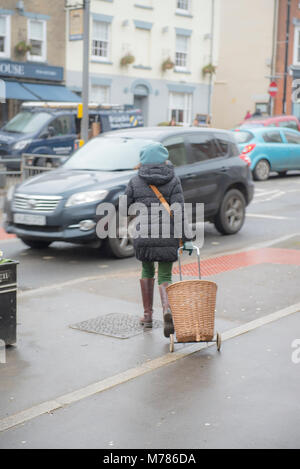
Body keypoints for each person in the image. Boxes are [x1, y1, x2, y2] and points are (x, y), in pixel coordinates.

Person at [125, 142, 193, 338]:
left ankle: (147, 316)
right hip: (167, 236)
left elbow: (125, 207)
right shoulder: (173, 180)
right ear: (165, 159)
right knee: (165, 276)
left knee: (147, 269)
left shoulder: (135, 180)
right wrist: (186, 238)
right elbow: (179, 211)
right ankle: (167, 310)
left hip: (143, 236)